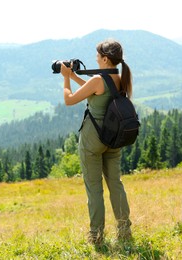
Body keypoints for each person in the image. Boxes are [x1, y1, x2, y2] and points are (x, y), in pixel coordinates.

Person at [60, 39, 132, 245]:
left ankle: (97, 236)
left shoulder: (98, 79)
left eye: (98, 56)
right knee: (116, 184)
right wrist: (73, 75)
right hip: (114, 137)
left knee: (94, 189)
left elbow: (69, 99)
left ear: (105, 58)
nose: (96, 58)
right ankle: (124, 231)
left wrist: (65, 79)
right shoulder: (119, 77)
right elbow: (95, 90)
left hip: (93, 139)